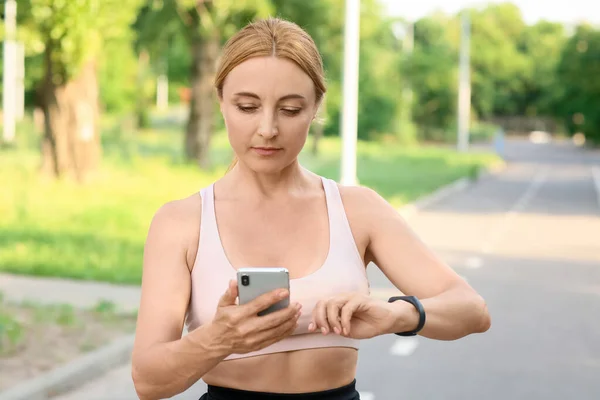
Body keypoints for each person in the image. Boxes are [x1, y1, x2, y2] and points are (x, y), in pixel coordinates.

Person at [131, 17, 491, 400]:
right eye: (248, 106)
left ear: (316, 107)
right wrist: (218, 339)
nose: (267, 129)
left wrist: (395, 314)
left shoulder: (358, 210)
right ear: (221, 102)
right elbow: (149, 383)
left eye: (289, 110)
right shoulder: (181, 223)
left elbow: (471, 310)